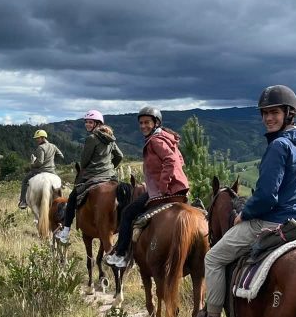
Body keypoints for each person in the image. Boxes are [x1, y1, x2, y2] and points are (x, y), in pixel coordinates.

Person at [187, 85, 296, 317]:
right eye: (265, 113)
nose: (269, 118)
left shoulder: (279, 146)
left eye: (275, 112)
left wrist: (244, 214)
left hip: (272, 222)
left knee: (212, 258)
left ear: (289, 113)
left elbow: (268, 196)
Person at [104, 106, 189, 268]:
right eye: (141, 123)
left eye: (147, 122)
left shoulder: (156, 140)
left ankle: (121, 254)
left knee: (128, 213)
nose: (143, 126)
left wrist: (163, 185)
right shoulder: (167, 138)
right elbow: (180, 161)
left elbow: (171, 160)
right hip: (179, 190)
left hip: (164, 192)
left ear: (156, 123)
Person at [56, 110, 124, 244]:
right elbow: (119, 156)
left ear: (97, 123)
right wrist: (110, 167)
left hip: (93, 176)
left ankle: (65, 232)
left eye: (90, 122)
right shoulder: (110, 137)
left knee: (72, 199)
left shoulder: (91, 138)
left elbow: (84, 161)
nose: (87, 124)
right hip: (110, 176)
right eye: (86, 122)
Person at [18, 129, 63, 209]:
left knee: (25, 181)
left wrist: (32, 164)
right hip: (52, 171)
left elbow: (40, 162)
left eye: (38, 138)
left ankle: (23, 202)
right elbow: (61, 156)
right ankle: (62, 202)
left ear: (43, 138)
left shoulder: (41, 148)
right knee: (59, 183)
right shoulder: (53, 146)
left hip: (40, 170)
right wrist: (52, 160)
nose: (36, 140)